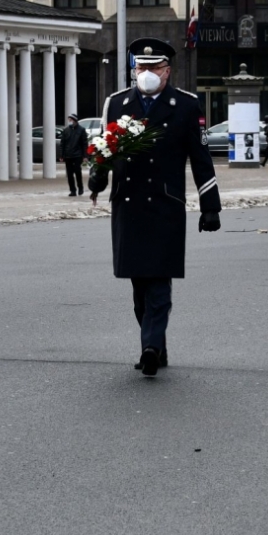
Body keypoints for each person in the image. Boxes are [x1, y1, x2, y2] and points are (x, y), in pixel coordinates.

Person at [89, 38, 221, 377]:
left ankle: (150, 346)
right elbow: (106, 148)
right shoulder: (116, 103)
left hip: (165, 205)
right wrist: (97, 178)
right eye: (141, 67)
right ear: (134, 70)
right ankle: (155, 344)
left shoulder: (187, 105)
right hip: (129, 206)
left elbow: (201, 160)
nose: (146, 73)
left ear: (167, 70)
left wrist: (211, 207)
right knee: (138, 286)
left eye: (154, 67)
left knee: (159, 283)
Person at [60, 113, 89, 196]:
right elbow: (63, 143)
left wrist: (85, 156)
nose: (69, 121)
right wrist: (62, 155)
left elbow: (84, 143)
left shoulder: (81, 130)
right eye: (68, 120)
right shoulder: (66, 130)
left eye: (70, 120)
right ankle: (72, 190)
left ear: (75, 120)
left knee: (77, 172)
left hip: (77, 155)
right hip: (68, 155)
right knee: (69, 174)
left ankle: (80, 188)